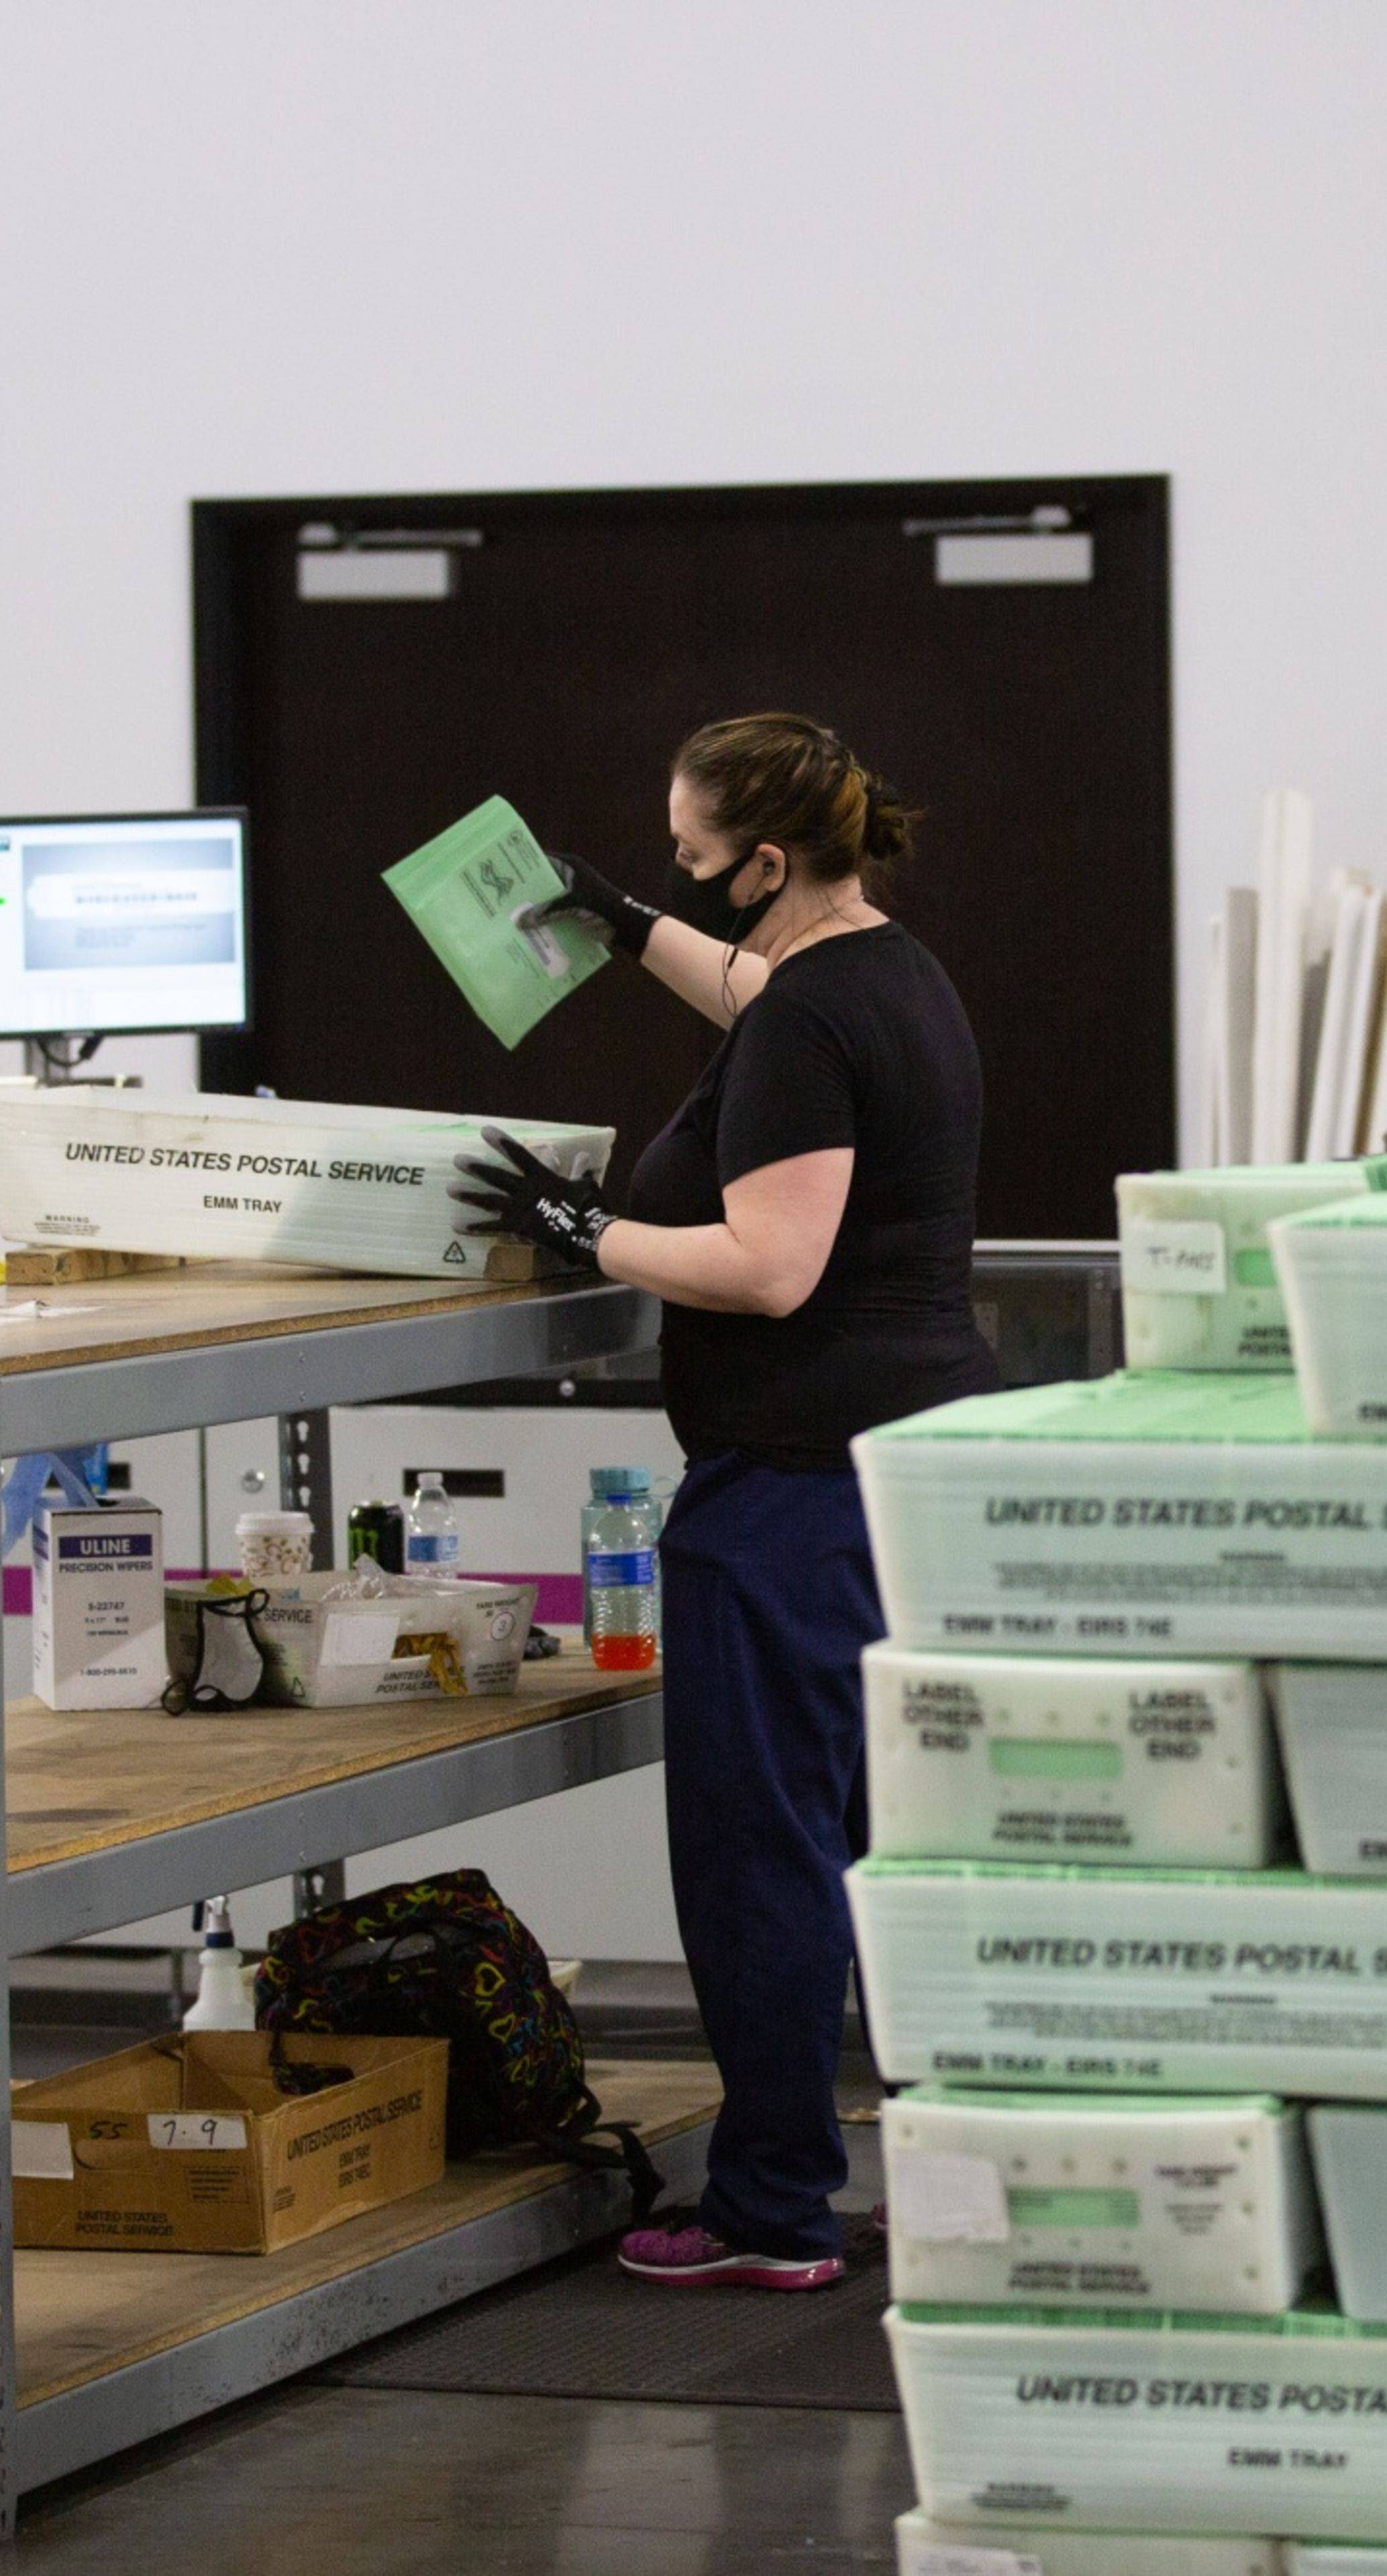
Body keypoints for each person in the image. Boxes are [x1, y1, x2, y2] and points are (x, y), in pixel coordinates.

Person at [456, 713, 997, 2291]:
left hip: (788, 1495)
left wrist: (586, 1229)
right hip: (904, 1478)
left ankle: (768, 2210)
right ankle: (958, 2180)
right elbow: (763, 992)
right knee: (881, 1848)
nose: (680, 873)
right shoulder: (885, 971)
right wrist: (628, 926)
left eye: (693, 857)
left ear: (768, 860)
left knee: (761, 1857)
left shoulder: (806, 1028)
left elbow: (768, 1266)